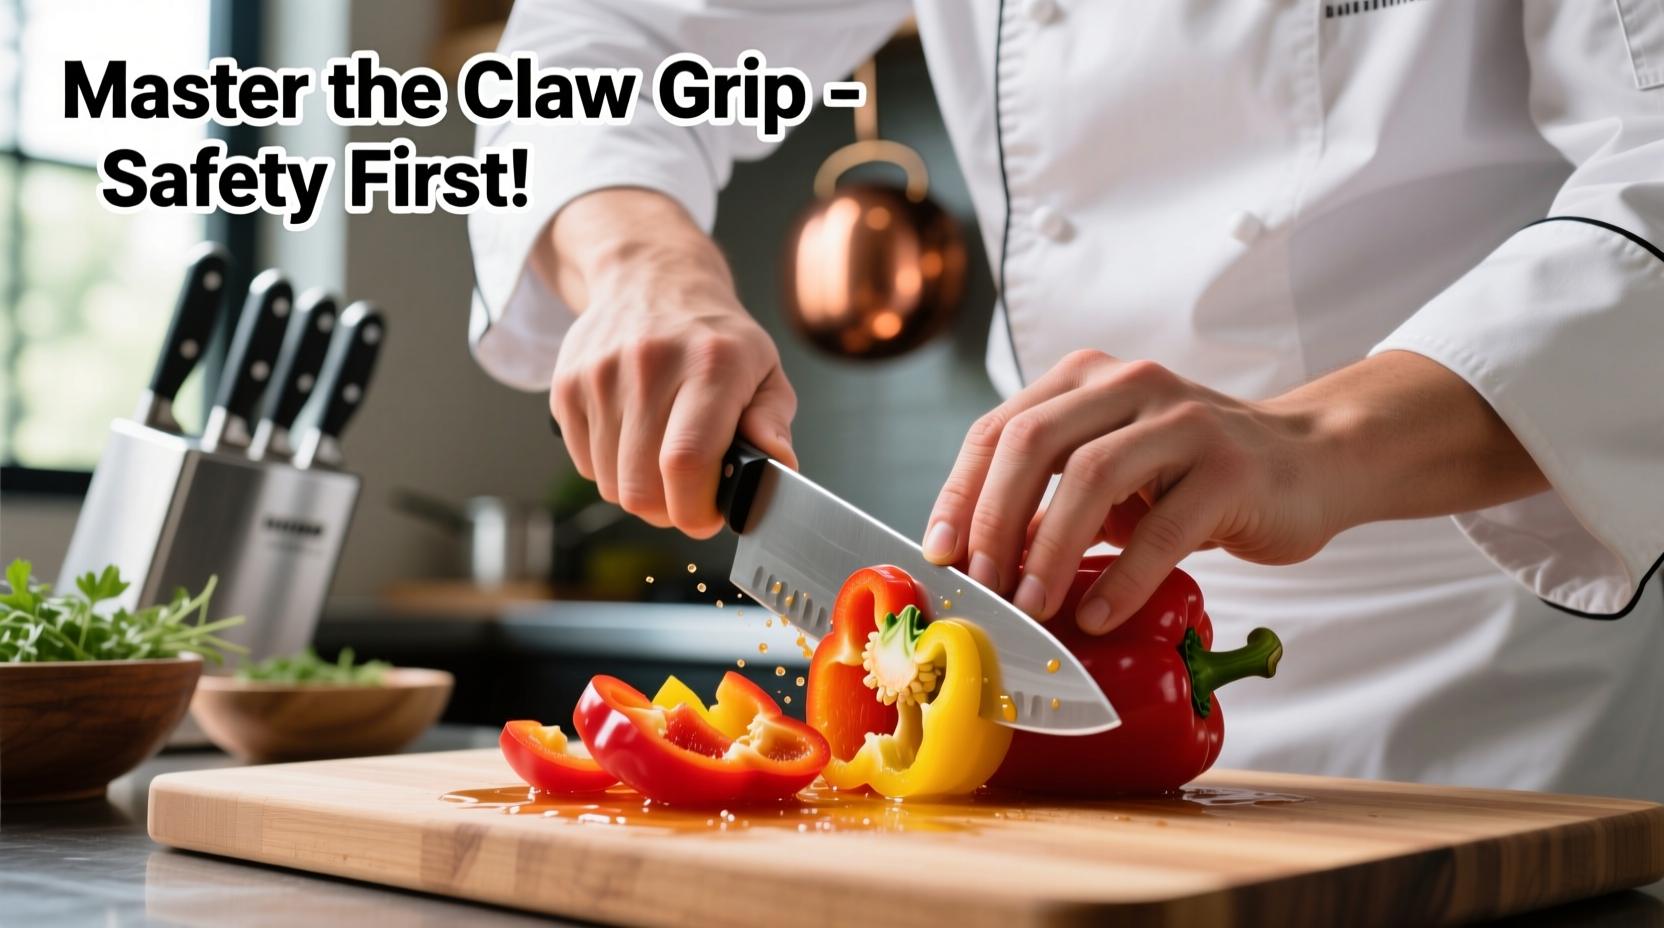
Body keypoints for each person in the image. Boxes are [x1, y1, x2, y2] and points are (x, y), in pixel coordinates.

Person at [468, 1, 1664, 802]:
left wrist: (1316, 439)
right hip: (1038, 665)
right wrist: (640, 269)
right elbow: (595, 46)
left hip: (1486, 692)